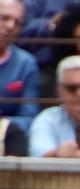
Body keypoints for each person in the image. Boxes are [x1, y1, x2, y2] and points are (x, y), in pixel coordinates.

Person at [0, 0, 38, 135]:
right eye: (4, 18)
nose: (10, 26)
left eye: (17, 23)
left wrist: (2, 125)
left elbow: (28, 118)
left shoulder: (26, 63)